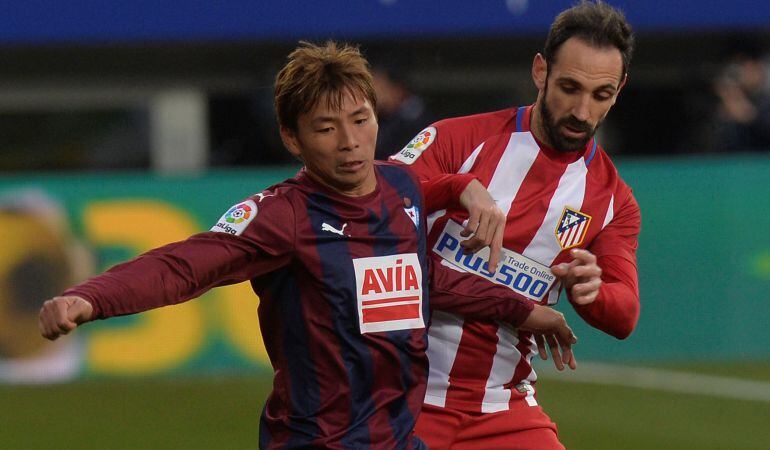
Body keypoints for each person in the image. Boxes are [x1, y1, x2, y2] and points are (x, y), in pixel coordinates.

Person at [39, 41, 577, 449]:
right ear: (292, 138)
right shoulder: (282, 216)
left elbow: (426, 278)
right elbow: (185, 264)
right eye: (325, 128)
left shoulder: (400, 188)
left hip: (398, 437)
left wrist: (523, 311)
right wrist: (90, 298)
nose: (349, 142)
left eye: (360, 120)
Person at [392, 1, 641, 448]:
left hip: (502, 408)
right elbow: (373, 204)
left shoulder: (612, 202)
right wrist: (457, 186)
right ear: (540, 71)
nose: (583, 112)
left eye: (601, 95)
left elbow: (624, 314)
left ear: (619, 89)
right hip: (400, 397)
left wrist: (592, 292)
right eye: (569, 87)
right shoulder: (458, 139)